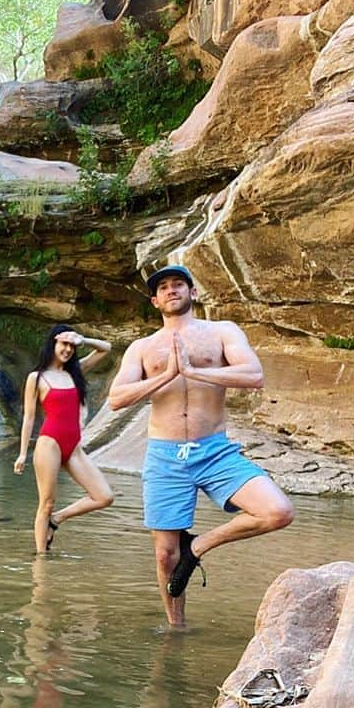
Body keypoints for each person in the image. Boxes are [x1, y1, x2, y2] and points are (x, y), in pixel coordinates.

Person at [108, 264, 294, 629]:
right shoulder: (142, 347)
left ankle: (197, 547)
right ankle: (176, 628)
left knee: (277, 511)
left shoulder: (221, 331)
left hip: (214, 451)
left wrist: (195, 371)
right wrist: (165, 375)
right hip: (164, 455)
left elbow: (254, 376)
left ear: (193, 293)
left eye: (179, 284)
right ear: (154, 300)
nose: (171, 290)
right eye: (163, 287)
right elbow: (116, 398)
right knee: (164, 555)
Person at [14, 325, 114, 554]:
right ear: (53, 344)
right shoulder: (36, 378)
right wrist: (21, 454)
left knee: (104, 496)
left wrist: (83, 339)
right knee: (46, 503)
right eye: (64, 344)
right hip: (49, 443)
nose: (68, 349)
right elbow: (29, 417)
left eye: (71, 346)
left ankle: (57, 520)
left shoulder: (75, 371)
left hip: (74, 448)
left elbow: (106, 349)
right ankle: (41, 560)